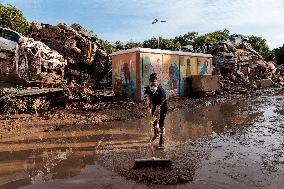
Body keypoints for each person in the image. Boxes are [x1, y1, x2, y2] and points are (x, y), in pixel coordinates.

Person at [144, 73, 168, 149]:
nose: (153, 87)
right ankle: (156, 134)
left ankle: (162, 140)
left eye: (154, 85)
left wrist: (154, 116)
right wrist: (148, 104)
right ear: (149, 84)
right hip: (154, 105)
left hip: (162, 106)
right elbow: (147, 96)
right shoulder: (148, 88)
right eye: (151, 85)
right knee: (154, 122)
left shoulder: (161, 91)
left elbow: (158, 108)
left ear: (157, 84)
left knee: (161, 122)